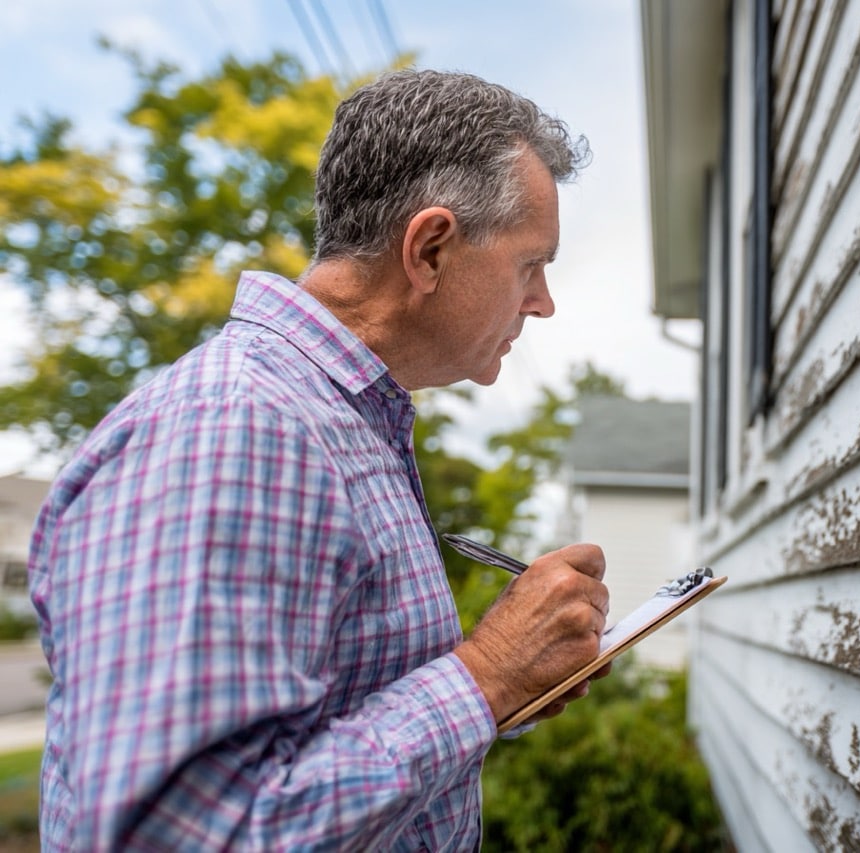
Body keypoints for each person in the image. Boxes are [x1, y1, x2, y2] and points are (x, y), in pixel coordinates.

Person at [28, 68, 611, 850]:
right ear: (431, 249)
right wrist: (488, 673)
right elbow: (176, 835)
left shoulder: (336, 423)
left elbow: (331, 719)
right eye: (531, 264)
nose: (541, 302)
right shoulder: (236, 426)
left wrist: (503, 688)